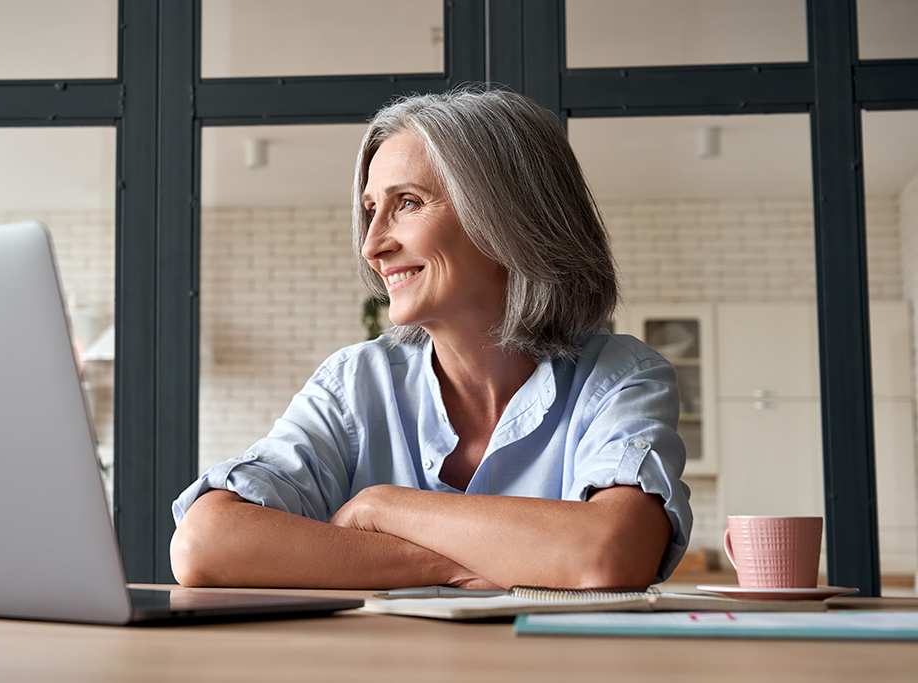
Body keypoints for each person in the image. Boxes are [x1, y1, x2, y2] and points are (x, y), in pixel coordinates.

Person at [170, 88, 691, 590]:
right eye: (372, 209)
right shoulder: (354, 384)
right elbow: (205, 542)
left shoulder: (620, 377)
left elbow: (610, 556)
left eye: (409, 202)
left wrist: (380, 507)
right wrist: (460, 565)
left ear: (509, 216)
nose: (373, 245)